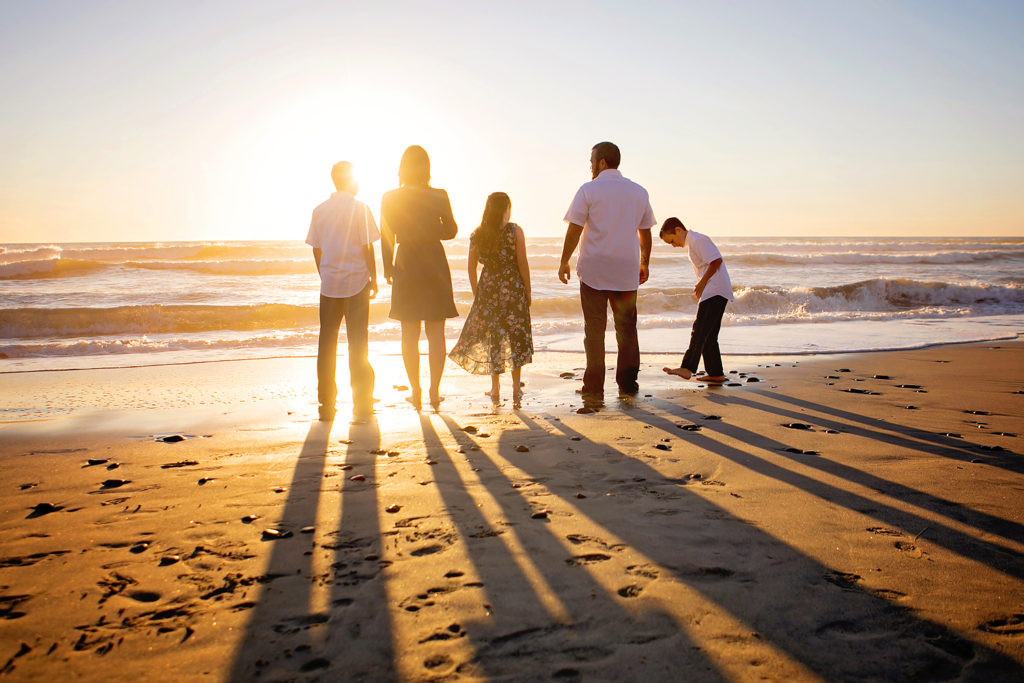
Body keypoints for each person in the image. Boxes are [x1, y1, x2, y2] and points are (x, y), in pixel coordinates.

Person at [559, 141, 655, 401]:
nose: (590, 166)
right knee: (627, 330)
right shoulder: (639, 192)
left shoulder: (588, 190)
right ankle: (627, 384)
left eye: (592, 161)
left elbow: (575, 228)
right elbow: (645, 233)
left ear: (602, 162)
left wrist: (564, 260)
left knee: (594, 330)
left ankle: (594, 386)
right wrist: (644, 261)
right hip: (625, 273)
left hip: (594, 272)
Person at [380, 145, 458, 411]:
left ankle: (416, 390)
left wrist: (387, 267)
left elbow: (386, 234)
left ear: (402, 168)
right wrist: (430, 228)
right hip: (433, 260)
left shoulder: (390, 197)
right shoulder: (439, 195)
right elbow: (451, 230)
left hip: (407, 261)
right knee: (436, 331)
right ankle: (434, 391)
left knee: (409, 331)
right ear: (427, 169)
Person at [306, 161, 379, 421]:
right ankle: (361, 399)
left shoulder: (319, 211)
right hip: (357, 282)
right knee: (358, 343)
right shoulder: (360, 209)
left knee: (327, 342)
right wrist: (374, 276)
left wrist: (323, 272)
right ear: (350, 181)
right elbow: (367, 246)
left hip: (330, 284)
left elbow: (316, 247)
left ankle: (326, 399)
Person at [449, 192, 533, 404]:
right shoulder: (515, 231)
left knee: (495, 337)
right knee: (514, 335)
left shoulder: (478, 233)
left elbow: (470, 267)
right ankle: (516, 388)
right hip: (512, 288)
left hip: (489, 288)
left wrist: (477, 291)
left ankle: (495, 388)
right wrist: (528, 289)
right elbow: (522, 262)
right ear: (506, 209)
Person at [659, 217, 734, 383]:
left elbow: (716, 261)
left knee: (699, 329)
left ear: (678, 230)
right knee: (708, 334)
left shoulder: (698, 240)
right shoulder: (693, 243)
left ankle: (687, 367)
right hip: (715, 289)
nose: (673, 245)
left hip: (715, 289)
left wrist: (702, 283)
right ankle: (715, 373)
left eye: (671, 241)